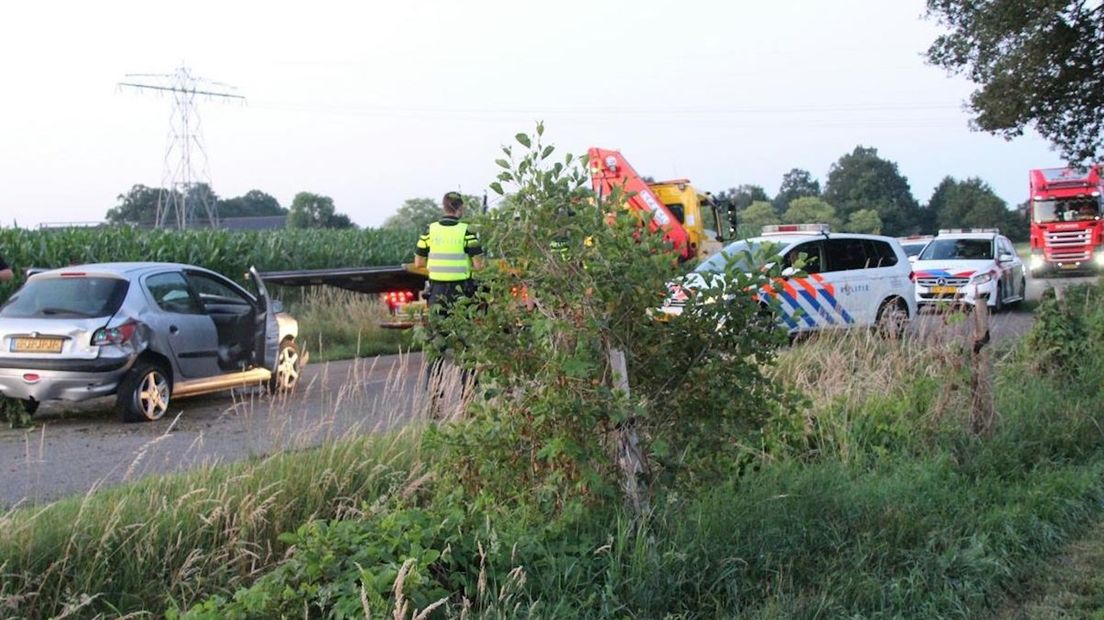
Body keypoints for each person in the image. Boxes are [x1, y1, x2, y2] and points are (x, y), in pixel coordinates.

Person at [413, 192, 484, 409]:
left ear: (444, 206)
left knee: (437, 347)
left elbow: (418, 262)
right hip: (461, 295)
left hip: (437, 293)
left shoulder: (430, 231)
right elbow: (480, 266)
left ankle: (434, 400)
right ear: (460, 209)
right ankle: (468, 400)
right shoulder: (467, 232)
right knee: (466, 347)